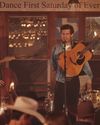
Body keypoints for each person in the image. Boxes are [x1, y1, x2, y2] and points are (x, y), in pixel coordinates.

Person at [51, 24, 93, 125]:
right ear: (60, 35)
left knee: (73, 108)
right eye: (63, 34)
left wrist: (89, 79)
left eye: (67, 34)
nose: (65, 36)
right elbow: (53, 65)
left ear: (71, 35)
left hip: (74, 81)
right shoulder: (56, 48)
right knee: (57, 108)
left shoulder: (78, 48)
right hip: (60, 82)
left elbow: (85, 64)